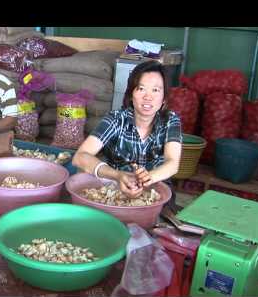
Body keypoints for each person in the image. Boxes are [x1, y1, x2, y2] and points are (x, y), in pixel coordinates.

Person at [72, 60, 182, 207]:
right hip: (115, 189)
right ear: (131, 94)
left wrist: (148, 178)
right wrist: (117, 175)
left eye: (156, 90)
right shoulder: (116, 119)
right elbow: (80, 157)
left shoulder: (170, 120)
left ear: (164, 99)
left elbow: (173, 162)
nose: (148, 97)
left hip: (156, 189)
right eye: (141, 88)